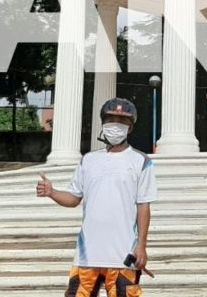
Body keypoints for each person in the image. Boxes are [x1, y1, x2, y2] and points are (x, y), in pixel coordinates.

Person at [36, 97, 157, 297]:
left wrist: (142, 247)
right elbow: (74, 198)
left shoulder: (141, 162)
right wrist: (52, 192)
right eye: (111, 120)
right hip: (87, 255)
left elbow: (143, 207)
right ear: (103, 123)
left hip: (123, 255)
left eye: (122, 121)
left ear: (131, 127)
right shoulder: (88, 160)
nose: (116, 125)